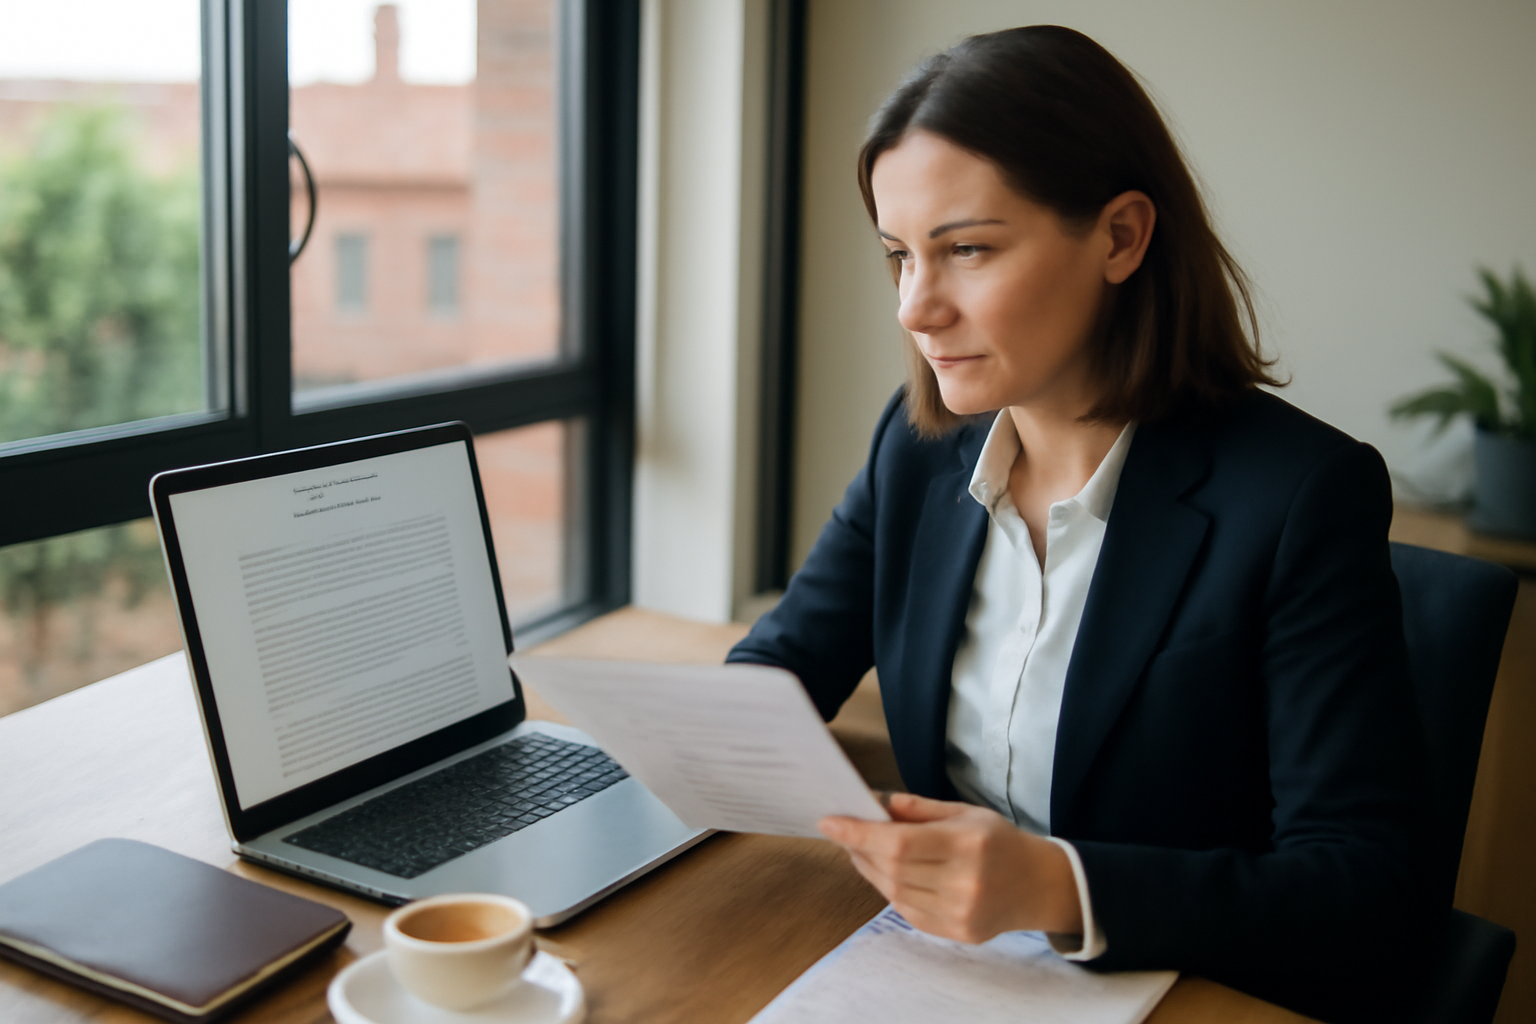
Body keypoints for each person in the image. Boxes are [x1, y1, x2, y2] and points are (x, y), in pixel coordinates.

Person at [725, 25, 1433, 1024]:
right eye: (899, 257)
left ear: (1120, 237)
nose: (917, 311)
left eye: (966, 249)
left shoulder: (1300, 494)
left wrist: (1059, 888)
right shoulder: (920, 448)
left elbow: (1371, 891)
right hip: (941, 973)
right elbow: (784, 663)